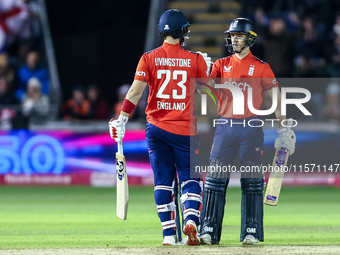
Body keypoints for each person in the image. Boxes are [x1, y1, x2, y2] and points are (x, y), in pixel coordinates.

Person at [108, 9, 212, 246]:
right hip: (185, 130)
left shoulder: (148, 58)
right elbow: (210, 90)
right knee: (190, 178)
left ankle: (168, 235)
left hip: (156, 129)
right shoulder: (194, 59)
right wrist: (208, 66)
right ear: (181, 32)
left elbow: (134, 92)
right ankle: (192, 220)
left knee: (163, 181)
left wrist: (122, 119)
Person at [199, 18, 296, 245]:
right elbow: (205, 90)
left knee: (252, 181)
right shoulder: (221, 64)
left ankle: (251, 230)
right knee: (214, 180)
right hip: (224, 127)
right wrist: (201, 70)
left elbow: (277, 99)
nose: (234, 40)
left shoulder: (262, 67)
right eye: (232, 36)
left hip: (251, 128)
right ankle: (209, 230)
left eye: (239, 36)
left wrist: (284, 127)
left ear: (250, 39)